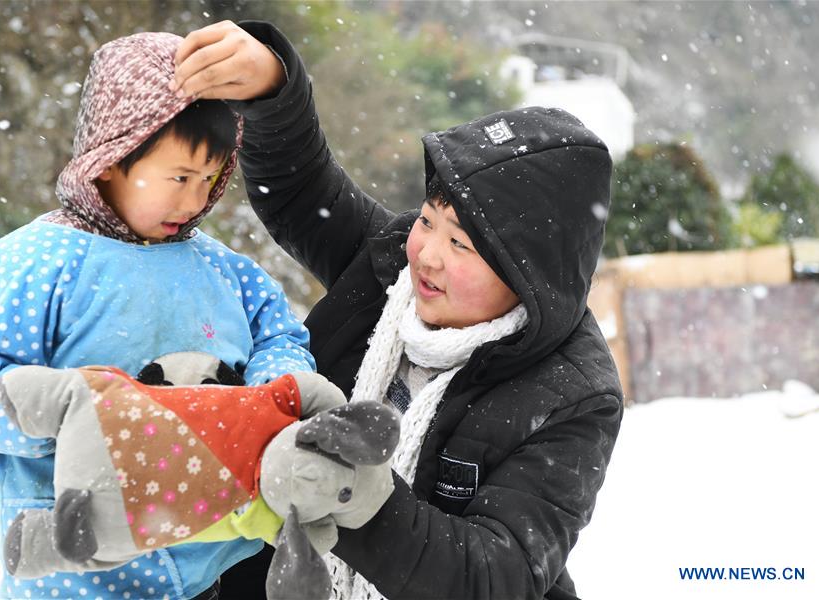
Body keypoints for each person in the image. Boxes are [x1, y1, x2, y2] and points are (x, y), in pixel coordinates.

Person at [169, 20, 625, 600]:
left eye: (460, 243)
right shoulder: (389, 267)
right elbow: (301, 191)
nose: (425, 254)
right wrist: (271, 87)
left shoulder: (573, 393)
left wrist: (355, 495)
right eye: (428, 219)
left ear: (529, 277)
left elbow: (495, 576)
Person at [0, 31, 315, 600]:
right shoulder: (33, 263)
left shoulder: (225, 269)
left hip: (212, 555)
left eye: (211, 180)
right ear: (111, 159)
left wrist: (267, 397)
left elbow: (280, 339)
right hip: (80, 568)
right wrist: (81, 422)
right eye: (179, 178)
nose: (194, 201)